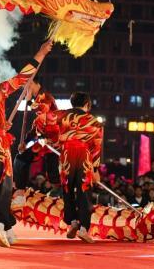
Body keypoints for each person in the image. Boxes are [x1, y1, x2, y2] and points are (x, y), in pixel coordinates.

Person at [0, 40, 52, 247]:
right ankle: (1, 226)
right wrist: (41, 52)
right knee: (4, 184)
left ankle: (7, 228)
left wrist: (1, 124)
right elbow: (24, 75)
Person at [53, 92, 103, 243]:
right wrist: (95, 169)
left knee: (67, 189)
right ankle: (83, 229)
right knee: (84, 190)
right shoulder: (94, 121)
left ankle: (73, 222)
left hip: (66, 154)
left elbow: (47, 127)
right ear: (87, 104)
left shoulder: (61, 115)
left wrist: (55, 141)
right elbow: (96, 147)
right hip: (83, 154)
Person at [13, 78, 58, 189]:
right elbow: (37, 124)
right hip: (42, 136)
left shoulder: (44, 96)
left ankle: (20, 189)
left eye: (26, 85)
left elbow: (43, 111)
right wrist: (26, 141)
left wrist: (29, 102)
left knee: (22, 159)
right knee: (50, 168)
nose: (25, 89)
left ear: (33, 83)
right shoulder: (39, 98)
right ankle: (21, 189)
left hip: (48, 137)